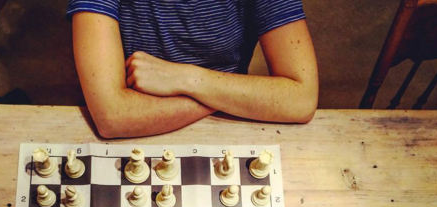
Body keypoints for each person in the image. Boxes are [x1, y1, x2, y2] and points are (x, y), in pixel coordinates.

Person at [67, 0, 318, 138]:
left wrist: (188, 79)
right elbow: (112, 117)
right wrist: (235, 95)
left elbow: (301, 99)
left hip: (233, 131)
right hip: (134, 141)